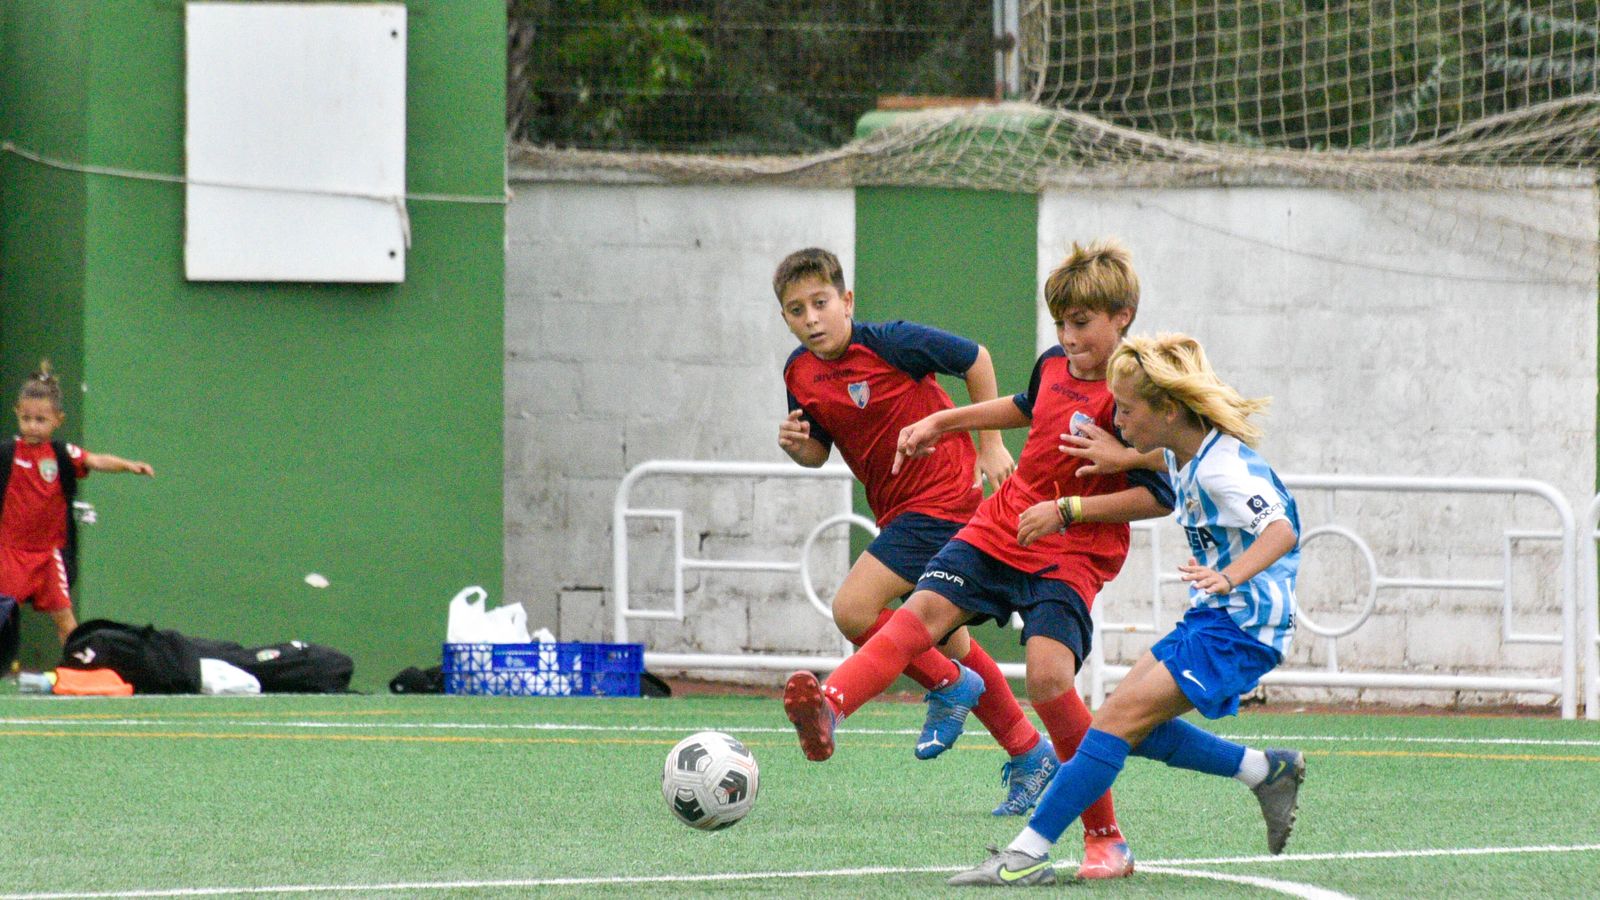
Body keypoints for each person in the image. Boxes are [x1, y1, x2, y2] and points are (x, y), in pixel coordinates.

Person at [783, 239, 1175, 879]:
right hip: (1003, 522)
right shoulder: (1053, 364)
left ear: (1123, 316)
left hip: (1070, 547)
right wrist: (947, 424)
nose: (1068, 337)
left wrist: (1081, 498)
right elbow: (1025, 408)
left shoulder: (1138, 390)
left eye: (1081, 325)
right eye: (1061, 324)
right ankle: (830, 705)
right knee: (920, 614)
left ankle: (1106, 837)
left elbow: (1164, 489)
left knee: (1048, 680)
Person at [947, 332, 1306, 887]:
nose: (1116, 415)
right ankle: (1266, 770)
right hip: (1211, 619)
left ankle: (1026, 854)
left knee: (1112, 722)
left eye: (1128, 409)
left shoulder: (1219, 469)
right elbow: (1164, 459)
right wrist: (1122, 456)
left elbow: (1281, 528)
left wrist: (1229, 575)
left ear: (1167, 410)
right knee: (1128, 727)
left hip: (1242, 627)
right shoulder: (1189, 450)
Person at [774, 247, 1060, 816]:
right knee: (952, 646)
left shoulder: (889, 342)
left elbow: (975, 358)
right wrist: (799, 449)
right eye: (795, 309)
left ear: (846, 300)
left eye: (821, 303)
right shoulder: (798, 373)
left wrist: (992, 445)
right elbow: (819, 450)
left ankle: (945, 687)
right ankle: (1032, 755)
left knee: (853, 609)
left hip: (944, 501)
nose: (811, 318)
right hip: (898, 513)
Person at [0, 362, 155, 644]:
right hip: (10, 554)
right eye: (26, 418)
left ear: (58, 420)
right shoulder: (8, 453)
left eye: (40, 419)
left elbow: (95, 460)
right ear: (17, 415)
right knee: (3, 615)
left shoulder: (61, 454)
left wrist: (128, 465)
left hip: (49, 556)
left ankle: (76, 670)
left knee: (66, 621)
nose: (32, 426)